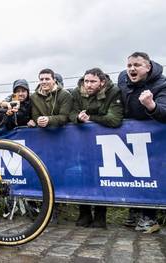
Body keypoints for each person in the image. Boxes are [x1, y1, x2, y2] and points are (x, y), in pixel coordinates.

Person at [118, 51, 166, 233]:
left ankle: (150, 217)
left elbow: (164, 112)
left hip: (153, 138)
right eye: (129, 65)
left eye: (137, 65)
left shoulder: (161, 84)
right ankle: (135, 211)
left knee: (149, 176)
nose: (131, 69)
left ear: (148, 66)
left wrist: (151, 106)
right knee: (131, 175)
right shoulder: (123, 78)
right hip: (129, 135)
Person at [69, 68, 124, 228]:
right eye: (86, 81)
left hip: (105, 143)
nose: (88, 85)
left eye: (93, 81)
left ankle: (100, 216)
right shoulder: (76, 93)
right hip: (82, 142)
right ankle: (84, 214)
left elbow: (115, 119)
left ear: (102, 82)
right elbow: (71, 114)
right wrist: (78, 119)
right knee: (83, 176)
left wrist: (91, 118)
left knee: (101, 178)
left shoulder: (113, 92)